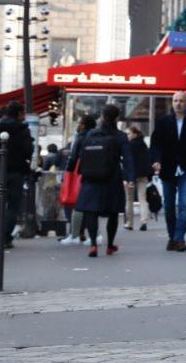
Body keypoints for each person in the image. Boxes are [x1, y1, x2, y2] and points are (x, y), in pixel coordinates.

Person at [68, 103, 133, 257]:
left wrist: (70, 171)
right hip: (112, 177)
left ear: (102, 117)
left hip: (91, 177)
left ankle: (93, 245)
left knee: (91, 211)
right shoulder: (120, 136)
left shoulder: (91, 134)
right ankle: (110, 245)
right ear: (117, 118)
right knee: (112, 212)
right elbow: (128, 158)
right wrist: (130, 177)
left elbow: (77, 152)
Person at [150, 92, 186, 251]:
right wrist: (156, 160)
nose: (178, 103)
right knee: (168, 206)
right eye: (175, 101)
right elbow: (155, 144)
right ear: (172, 103)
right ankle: (171, 236)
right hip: (167, 169)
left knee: (184, 205)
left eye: (181, 101)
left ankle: (179, 238)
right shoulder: (163, 123)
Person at [0, 101, 34, 249]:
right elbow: (28, 151)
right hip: (17, 171)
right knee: (13, 205)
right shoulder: (23, 129)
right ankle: (5, 237)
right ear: (19, 114)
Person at [60, 114, 97, 246]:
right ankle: (90, 234)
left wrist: (68, 173)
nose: (78, 125)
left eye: (80, 123)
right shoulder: (97, 136)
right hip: (94, 172)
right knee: (91, 204)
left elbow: (74, 157)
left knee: (77, 205)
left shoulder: (81, 137)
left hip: (79, 172)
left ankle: (75, 234)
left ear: (84, 125)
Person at [124, 126, 152, 231]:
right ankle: (144, 221)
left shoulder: (128, 146)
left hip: (130, 176)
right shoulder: (143, 145)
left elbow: (126, 163)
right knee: (142, 199)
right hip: (142, 175)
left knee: (129, 200)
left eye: (129, 134)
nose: (127, 136)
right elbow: (148, 160)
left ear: (135, 134)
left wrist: (125, 176)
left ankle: (129, 223)